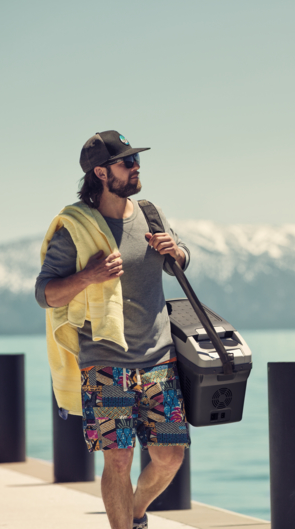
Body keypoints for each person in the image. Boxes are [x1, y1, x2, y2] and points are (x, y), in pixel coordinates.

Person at [35, 130, 191, 529]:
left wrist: (178, 251)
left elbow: (182, 259)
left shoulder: (150, 214)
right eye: (127, 162)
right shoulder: (76, 227)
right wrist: (90, 275)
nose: (136, 167)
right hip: (105, 364)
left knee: (171, 456)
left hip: (159, 360)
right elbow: (46, 294)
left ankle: (136, 512)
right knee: (118, 459)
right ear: (102, 173)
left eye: (136, 160)